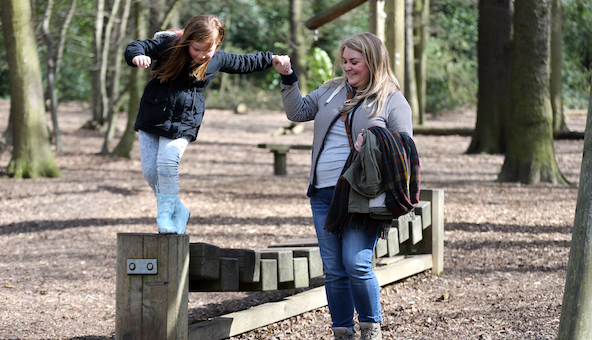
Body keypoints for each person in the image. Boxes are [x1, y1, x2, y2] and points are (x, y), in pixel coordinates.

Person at [273, 32, 416, 340]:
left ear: (374, 62)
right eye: (345, 61)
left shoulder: (391, 99)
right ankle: (342, 332)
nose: (348, 68)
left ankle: (370, 328)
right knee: (335, 270)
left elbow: (406, 150)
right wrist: (288, 78)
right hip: (323, 193)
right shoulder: (331, 91)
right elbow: (298, 112)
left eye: (355, 62)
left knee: (356, 264)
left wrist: (379, 139)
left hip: (361, 197)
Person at [125, 15, 287, 234]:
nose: (201, 55)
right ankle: (178, 209)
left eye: (207, 50)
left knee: (167, 162)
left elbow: (244, 62)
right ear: (187, 40)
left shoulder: (217, 58)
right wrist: (138, 56)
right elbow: (137, 46)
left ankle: (164, 214)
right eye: (196, 49)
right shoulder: (169, 46)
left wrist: (271, 58)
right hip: (152, 113)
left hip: (185, 119)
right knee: (150, 173)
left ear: (216, 45)